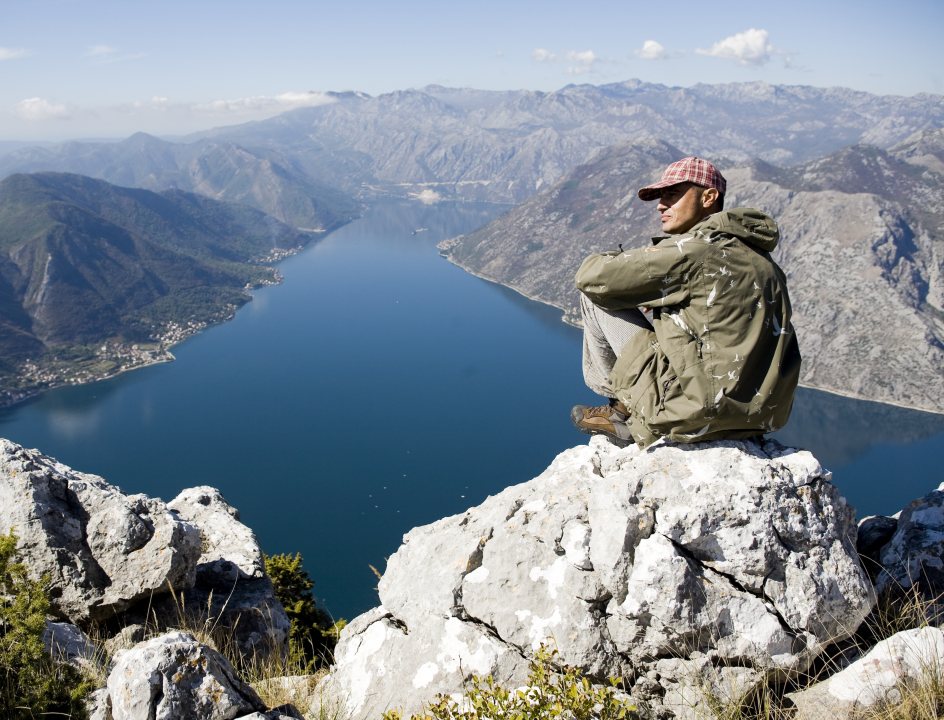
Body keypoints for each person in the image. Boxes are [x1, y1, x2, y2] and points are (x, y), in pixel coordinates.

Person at [571, 156, 801, 448]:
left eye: (672, 194)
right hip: (760, 415)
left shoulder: (694, 251)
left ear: (708, 197)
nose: (661, 205)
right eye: (660, 197)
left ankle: (621, 412)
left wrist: (627, 272)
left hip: (695, 412)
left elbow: (591, 276)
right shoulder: (760, 258)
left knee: (595, 296)